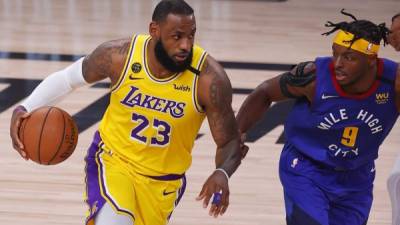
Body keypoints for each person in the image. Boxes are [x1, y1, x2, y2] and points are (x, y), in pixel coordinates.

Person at [9, 0, 243, 224]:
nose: (185, 45)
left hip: (163, 183)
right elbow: (69, 79)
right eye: (177, 36)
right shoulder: (120, 55)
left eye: (191, 35)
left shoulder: (209, 79)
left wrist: (222, 172)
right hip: (113, 162)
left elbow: (229, 141)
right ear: (155, 30)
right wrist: (25, 107)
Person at [236, 9, 398, 225]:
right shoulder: (313, 76)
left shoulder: (393, 84)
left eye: (349, 57)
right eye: (335, 53)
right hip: (306, 168)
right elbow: (265, 91)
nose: (338, 63)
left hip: (356, 176)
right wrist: (236, 133)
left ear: (371, 60)